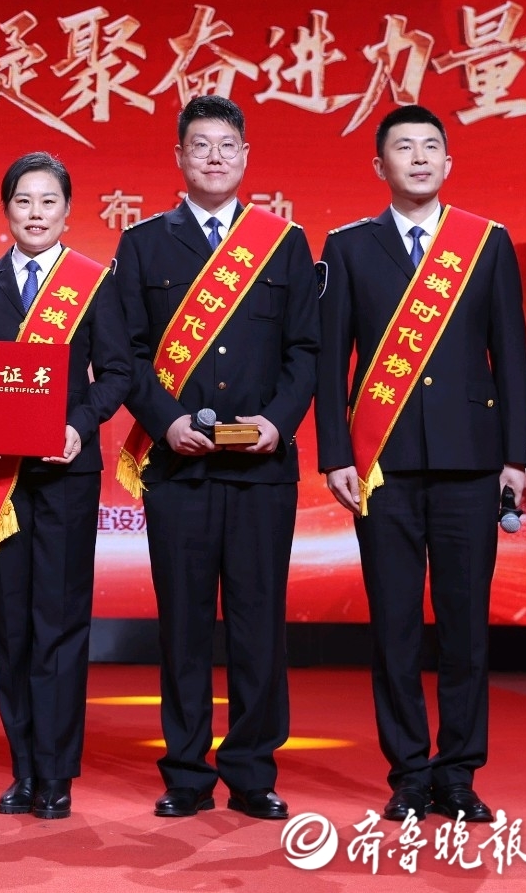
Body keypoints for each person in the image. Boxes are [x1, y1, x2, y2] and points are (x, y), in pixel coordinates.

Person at [315, 105, 526, 826]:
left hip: (472, 463)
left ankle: (460, 771)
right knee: (396, 625)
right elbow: (330, 362)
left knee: (466, 626)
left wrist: (516, 456)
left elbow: (512, 354)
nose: (418, 157)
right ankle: (409, 771)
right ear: (380, 165)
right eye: (403, 147)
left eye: (430, 146)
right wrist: (336, 455)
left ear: (448, 162)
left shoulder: (486, 243)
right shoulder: (349, 246)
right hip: (384, 467)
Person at [112, 95, 318, 822]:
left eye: (227, 145)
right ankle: (186, 773)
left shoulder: (283, 243)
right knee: (185, 624)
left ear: (246, 156)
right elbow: (128, 354)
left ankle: (253, 771)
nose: (214, 157)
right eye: (200, 145)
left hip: (262, 470)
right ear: (179, 157)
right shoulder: (144, 243)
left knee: (260, 623)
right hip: (180, 469)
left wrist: (278, 422)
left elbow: (306, 351)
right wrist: (165, 422)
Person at [0, 152, 131, 821]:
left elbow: (117, 371)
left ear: (67, 210)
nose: (35, 213)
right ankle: (23, 769)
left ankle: (57, 772)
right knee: (15, 626)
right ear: (6, 209)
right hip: (3, 476)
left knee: (60, 620)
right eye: (23, 201)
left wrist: (80, 424)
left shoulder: (94, 282)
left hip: (66, 474)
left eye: (48, 201)